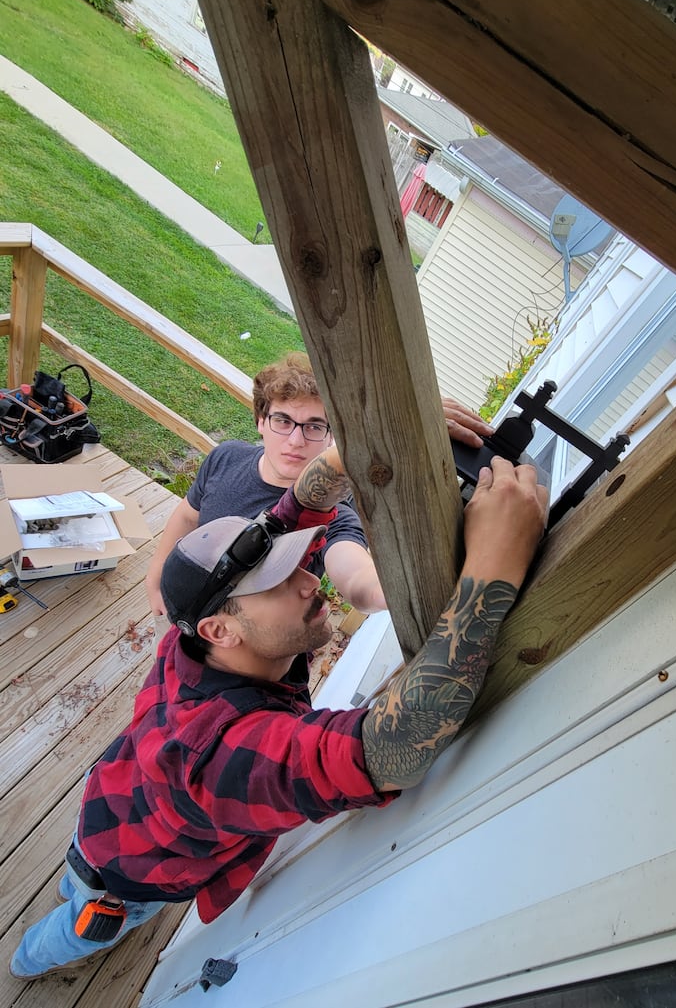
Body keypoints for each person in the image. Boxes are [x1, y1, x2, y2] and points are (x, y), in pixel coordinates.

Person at [10, 449, 548, 980]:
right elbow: (397, 745)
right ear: (222, 630)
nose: (311, 581)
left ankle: (73, 884)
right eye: (278, 582)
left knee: (77, 878)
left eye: (298, 564)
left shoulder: (196, 636)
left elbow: (294, 510)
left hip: (104, 808)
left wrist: (347, 451)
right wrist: (494, 566)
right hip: (136, 879)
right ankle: (26, 962)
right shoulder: (226, 757)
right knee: (79, 927)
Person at [145, 351, 494, 617]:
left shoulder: (331, 510)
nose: (296, 440)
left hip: (247, 652)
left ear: (332, 437)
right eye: (283, 420)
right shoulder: (226, 457)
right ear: (260, 421)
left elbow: (358, 581)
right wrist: (157, 573)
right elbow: (188, 516)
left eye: (315, 426)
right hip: (181, 606)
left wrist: (418, 586)